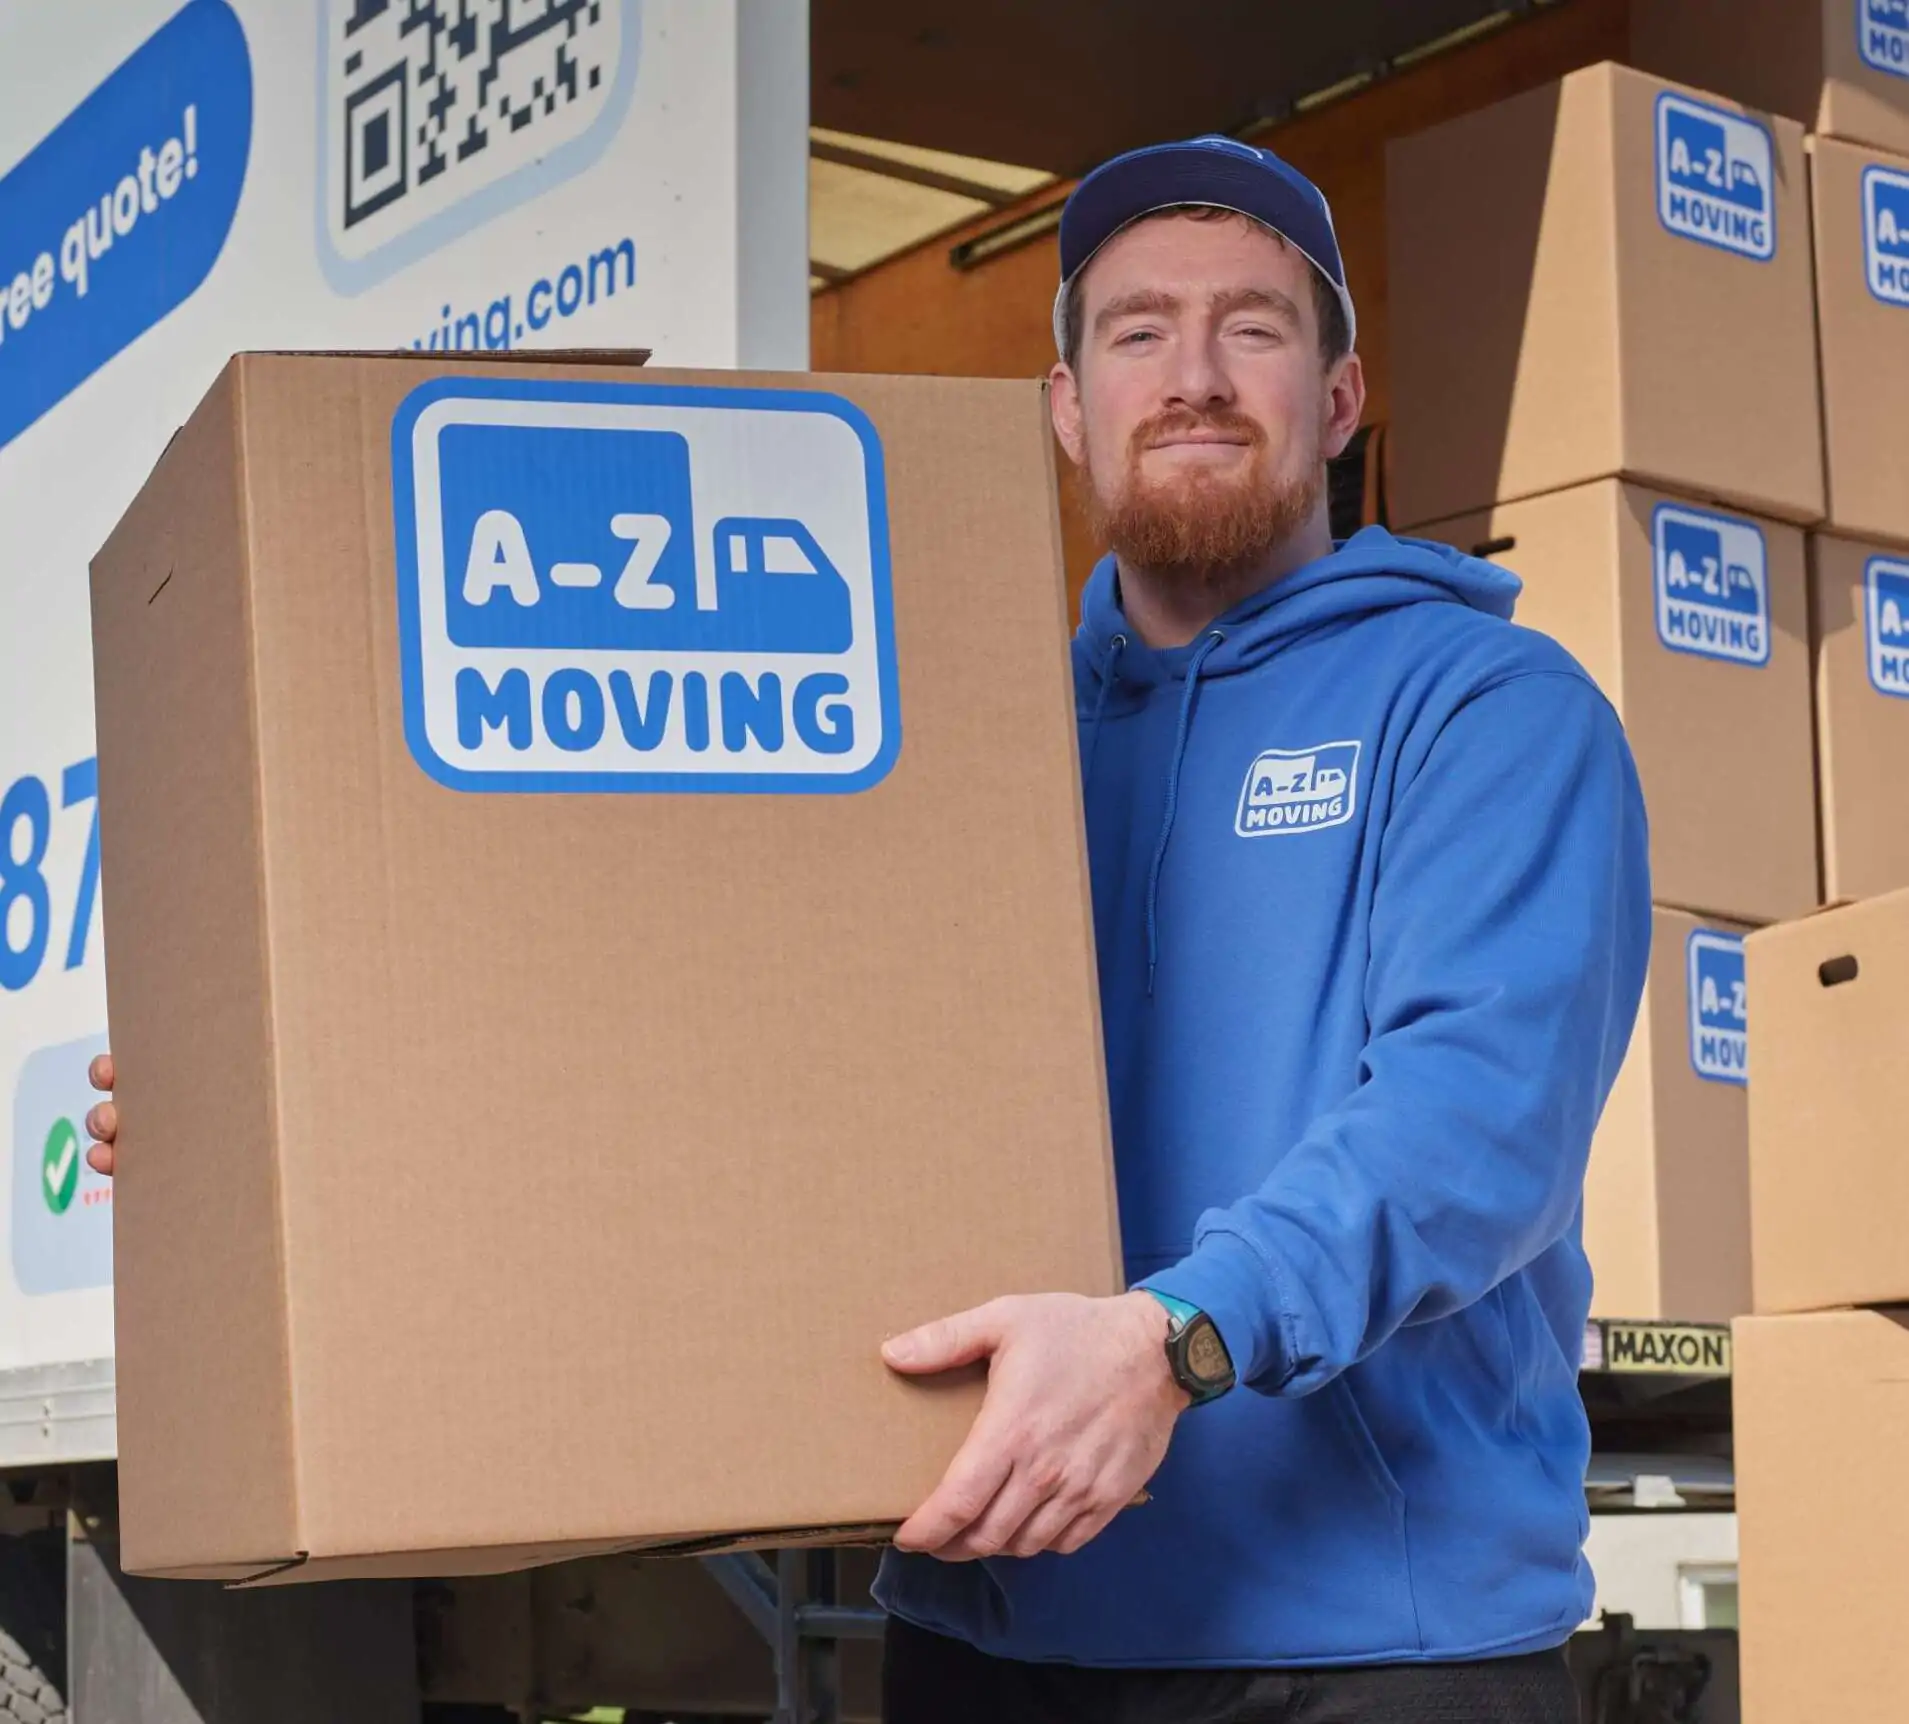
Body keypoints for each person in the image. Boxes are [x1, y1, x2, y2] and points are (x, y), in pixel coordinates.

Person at [88, 135, 1651, 1724]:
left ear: (1335, 399)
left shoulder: (1483, 709)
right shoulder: (972, 747)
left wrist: (1180, 1335)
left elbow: (1478, 1121)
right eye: (1134, 331)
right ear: (1067, 408)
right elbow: (678, 1056)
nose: (1192, 374)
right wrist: (275, 1122)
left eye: (1252, 327)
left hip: (1370, 1649)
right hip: (985, 1624)